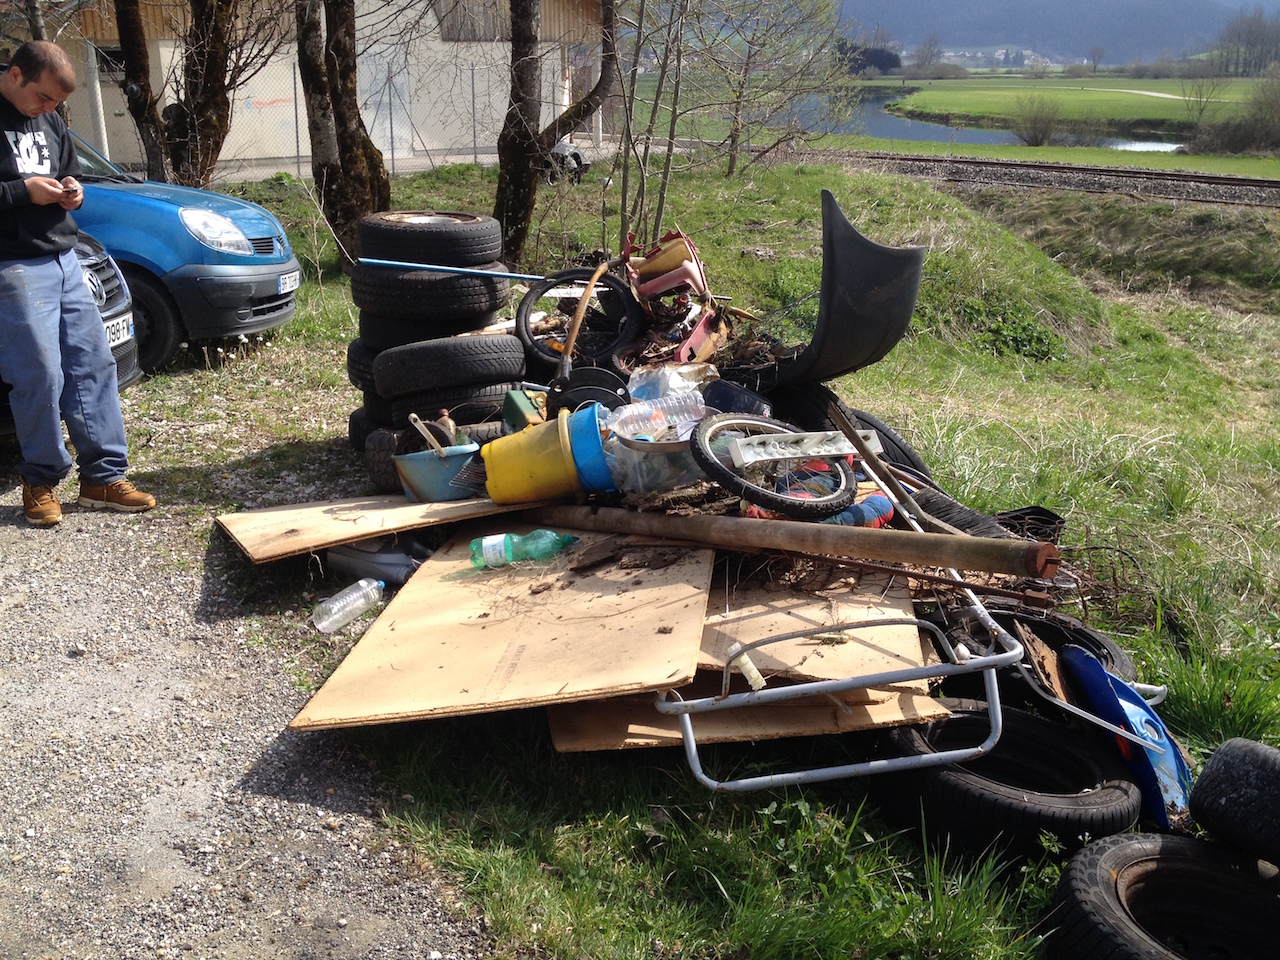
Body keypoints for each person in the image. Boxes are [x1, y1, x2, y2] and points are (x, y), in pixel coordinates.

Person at [0, 40, 154, 526]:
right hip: (15, 264)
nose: (49, 109)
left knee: (93, 365)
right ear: (16, 75)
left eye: (57, 103)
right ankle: (41, 479)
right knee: (40, 373)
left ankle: (102, 478)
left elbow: (68, 170)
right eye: (43, 98)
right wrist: (21, 191)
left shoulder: (49, 118)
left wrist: (73, 191)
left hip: (66, 258)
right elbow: (19, 190)